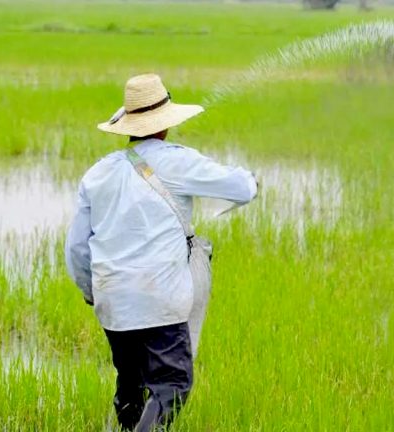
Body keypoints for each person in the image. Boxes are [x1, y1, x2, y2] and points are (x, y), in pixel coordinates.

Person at [65, 74, 257, 431]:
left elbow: (76, 248)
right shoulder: (178, 162)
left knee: (130, 384)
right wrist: (252, 179)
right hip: (160, 298)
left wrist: (92, 291)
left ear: (128, 126)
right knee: (172, 387)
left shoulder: (98, 173)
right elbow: (241, 188)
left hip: (113, 301)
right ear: (166, 126)